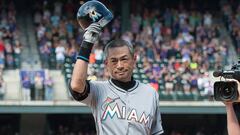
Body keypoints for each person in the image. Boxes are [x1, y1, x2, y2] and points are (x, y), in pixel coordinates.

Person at [69, 22, 164, 135]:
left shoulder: (150, 93)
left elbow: (156, 132)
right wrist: (87, 44)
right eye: (114, 61)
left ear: (134, 60)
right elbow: (76, 85)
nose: (119, 66)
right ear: (106, 64)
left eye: (124, 59)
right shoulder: (98, 90)